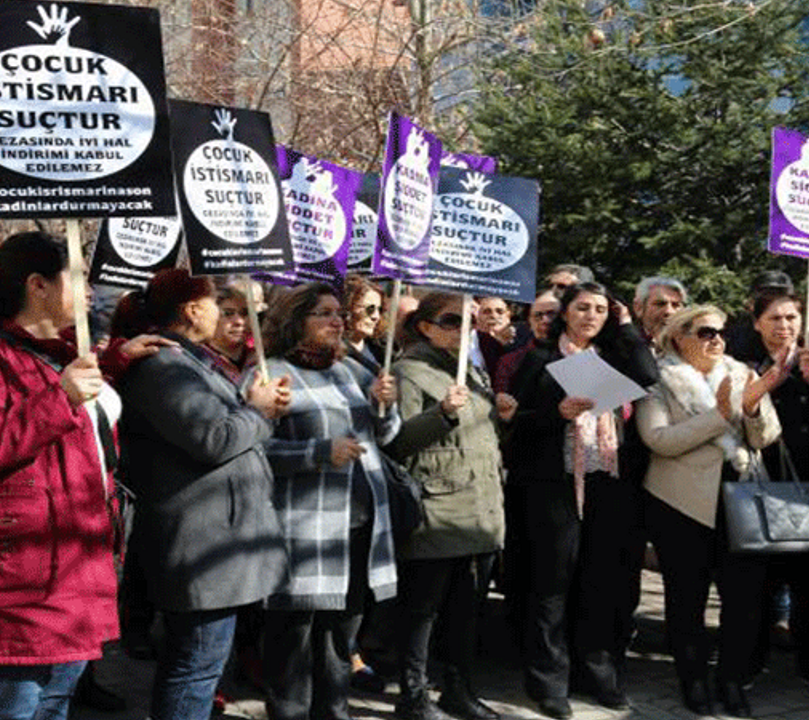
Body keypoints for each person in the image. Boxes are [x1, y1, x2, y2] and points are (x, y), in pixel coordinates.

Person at [0, 231, 166, 720]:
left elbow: (66, 389)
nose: (91, 292)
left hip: (71, 558)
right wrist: (61, 397)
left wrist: (115, 359)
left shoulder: (59, 349)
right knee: (17, 706)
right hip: (20, 573)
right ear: (38, 286)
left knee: (53, 702)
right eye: (77, 278)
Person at [112, 268, 292, 720]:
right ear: (193, 310)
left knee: (204, 666)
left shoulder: (192, 360)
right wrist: (259, 412)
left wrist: (257, 409)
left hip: (217, 539)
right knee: (193, 667)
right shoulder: (165, 366)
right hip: (199, 541)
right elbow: (212, 439)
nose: (223, 315)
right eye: (218, 305)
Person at [506, 281, 658, 718]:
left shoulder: (613, 358)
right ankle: (549, 680)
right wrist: (556, 415)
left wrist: (627, 324)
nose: (591, 316)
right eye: (582, 308)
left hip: (607, 483)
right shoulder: (540, 358)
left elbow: (648, 375)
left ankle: (597, 673)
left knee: (600, 581)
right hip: (552, 486)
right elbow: (515, 425)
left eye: (599, 310)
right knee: (552, 584)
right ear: (565, 313)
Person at [257, 282, 400, 720]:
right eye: (323, 313)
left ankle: (334, 713)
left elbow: (386, 438)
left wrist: (385, 408)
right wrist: (318, 453)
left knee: (341, 641)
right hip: (303, 532)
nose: (337, 321)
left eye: (339, 313)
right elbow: (254, 453)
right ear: (296, 320)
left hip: (359, 528)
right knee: (293, 643)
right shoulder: (269, 374)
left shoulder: (352, 371)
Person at [638, 304, 783, 717]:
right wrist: (720, 417)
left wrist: (752, 409)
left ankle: (732, 680)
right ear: (679, 337)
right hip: (680, 503)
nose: (716, 339)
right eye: (704, 332)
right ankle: (694, 679)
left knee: (744, 599)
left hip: (743, 496)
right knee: (687, 599)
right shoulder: (658, 379)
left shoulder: (742, 374)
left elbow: (767, 437)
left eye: (721, 332)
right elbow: (659, 439)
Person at [385, 292, 516, 720]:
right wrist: (441, 413)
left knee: (466, 612)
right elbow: (397, 442)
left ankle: (459, 691)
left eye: (470, 321)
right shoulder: (406, 372)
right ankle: (414, 695)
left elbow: (484, 441)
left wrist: (505, 418)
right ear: (424, 326)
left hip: (481, 509)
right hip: (438, 511)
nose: (464, 329)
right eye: (451, 320)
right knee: (422, 612)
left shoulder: (473, 371)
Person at [731, 291, 809, 698]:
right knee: (757, 583)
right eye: (775, 318)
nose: (785, 326)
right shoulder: (742, 363)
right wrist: (763, 385)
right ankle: (749, 662)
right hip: (761, 485)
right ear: (757, 322)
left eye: (792, 317)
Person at [202, 283, 254, 383]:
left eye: (244, 313)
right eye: (228, 313)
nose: (239, 322)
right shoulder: (198, 359)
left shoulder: (259, 358)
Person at [343, 275, 387, 376]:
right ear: (349, 308)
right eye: (370, 309)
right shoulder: (332, 354)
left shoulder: (382, 351)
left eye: (379, 310)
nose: (376, 317)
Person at [631, 276, 686, 348]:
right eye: (660, 304)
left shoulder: (691, 346)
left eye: (675, 305)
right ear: (638, 308)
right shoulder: (625, 345)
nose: (669, 311)